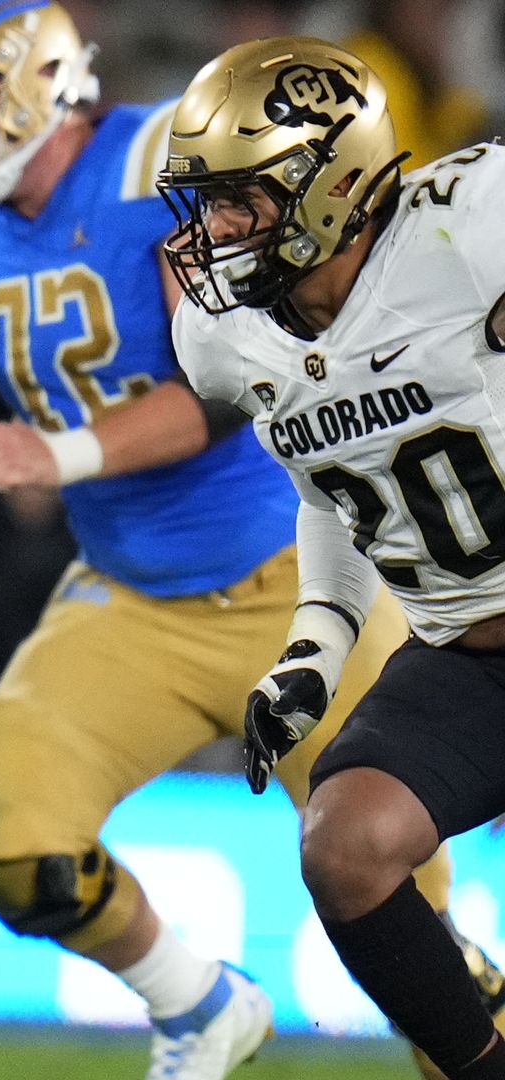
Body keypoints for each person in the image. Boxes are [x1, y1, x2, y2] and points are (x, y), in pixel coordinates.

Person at [0, 4, 503, 1077]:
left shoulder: (169, 160)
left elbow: (219, 407)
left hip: (281, 570)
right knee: (17, 844)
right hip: (142, 588)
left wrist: (59, 458)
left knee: (414, 927)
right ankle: (193, 1006)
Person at [162, 35, 505, 1080]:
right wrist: (315, 646)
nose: (214, 232)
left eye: (240, 200)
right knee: (346, 844)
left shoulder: (471, 226)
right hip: (465, 647)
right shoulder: (227, 339)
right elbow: (334, 487)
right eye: (206, 204)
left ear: (334, 181)